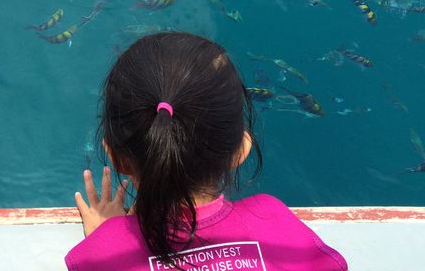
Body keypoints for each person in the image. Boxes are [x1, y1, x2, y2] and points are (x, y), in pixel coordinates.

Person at [65, 32, 347, 270]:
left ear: (116, 158)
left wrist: (109, 237)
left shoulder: (102, 254)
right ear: (241, 149)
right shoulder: (273, 218)